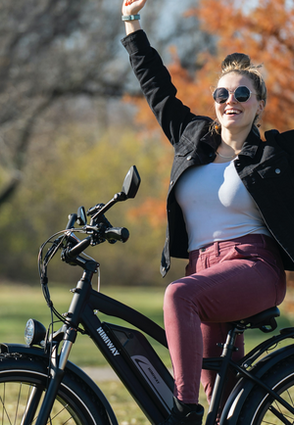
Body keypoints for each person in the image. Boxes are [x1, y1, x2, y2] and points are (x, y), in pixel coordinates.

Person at [121, 0, 294, 424]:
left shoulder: (275, 152)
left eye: (241, 94)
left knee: (179, 297)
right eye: (222, 94)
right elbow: (157, 87)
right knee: (223, 399)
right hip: (203, 269)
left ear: (259, 104)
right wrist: (131, 23)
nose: (229, 100)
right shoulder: (192, 136)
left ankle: (182, 411)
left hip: (253, 266)